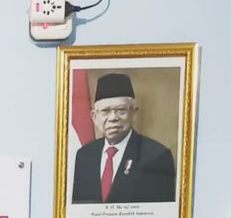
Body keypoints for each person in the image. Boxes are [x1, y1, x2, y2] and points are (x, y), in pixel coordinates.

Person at [71, 72, 177, 205]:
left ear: (133, 113)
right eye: (105, 111)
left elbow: (162, 212)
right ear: (94, 116)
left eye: (121, 110)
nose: (113, 118)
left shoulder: (157, 156)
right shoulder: (84, 155)